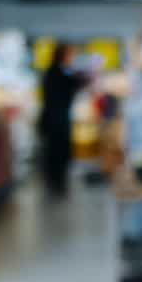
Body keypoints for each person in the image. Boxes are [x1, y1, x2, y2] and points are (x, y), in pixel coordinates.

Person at [38, 44, 88, 196]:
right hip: (56, 121)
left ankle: (56, 183)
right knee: (57, 154)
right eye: (70, 55)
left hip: (55, 119)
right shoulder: (57, 73)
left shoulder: (55, 72)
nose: (71, 59)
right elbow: (72, 85)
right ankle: (56, 184)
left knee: (56, 153)